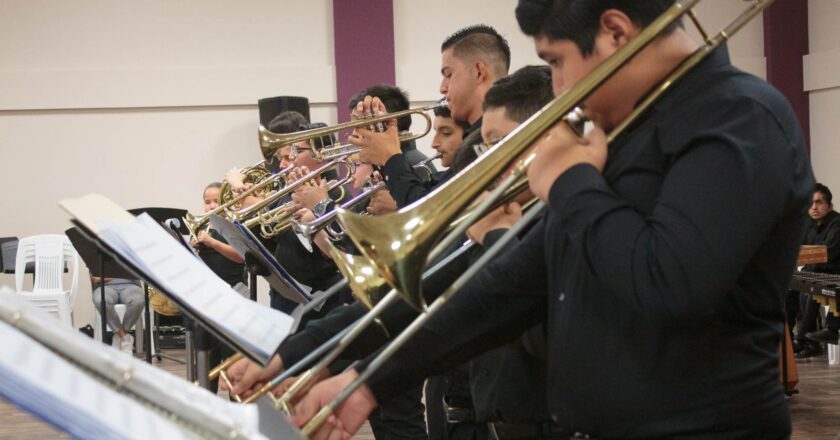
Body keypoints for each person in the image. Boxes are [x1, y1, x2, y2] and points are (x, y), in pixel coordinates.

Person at [292, 1, 814, 439]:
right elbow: (510, 286)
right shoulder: (629, 132)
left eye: (557, 61)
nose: (559, 89)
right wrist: (368, 379)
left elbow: (669, 283)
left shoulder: (740, 117)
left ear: (615, 32)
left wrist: (569, 179)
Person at [792, 183, 840, 358]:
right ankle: (789, 338)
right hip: (816, 272)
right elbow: (799, 251)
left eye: (819, 202)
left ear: (829, 206)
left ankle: (802, 339)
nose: (814, 207)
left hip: (833, 273)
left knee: (807, 290)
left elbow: (827, 253)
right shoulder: (808, 225)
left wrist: (806, 262)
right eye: (811, 203)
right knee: (788, 289)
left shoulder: (837, 223)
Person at [91, 276, 144, 355]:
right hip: (105, 286)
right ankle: (126, 338)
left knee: (138, 301)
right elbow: (95, 278)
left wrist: (110, 276)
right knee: (100, 301)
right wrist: (118, 275)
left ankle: (119, 336)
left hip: (131, 285)